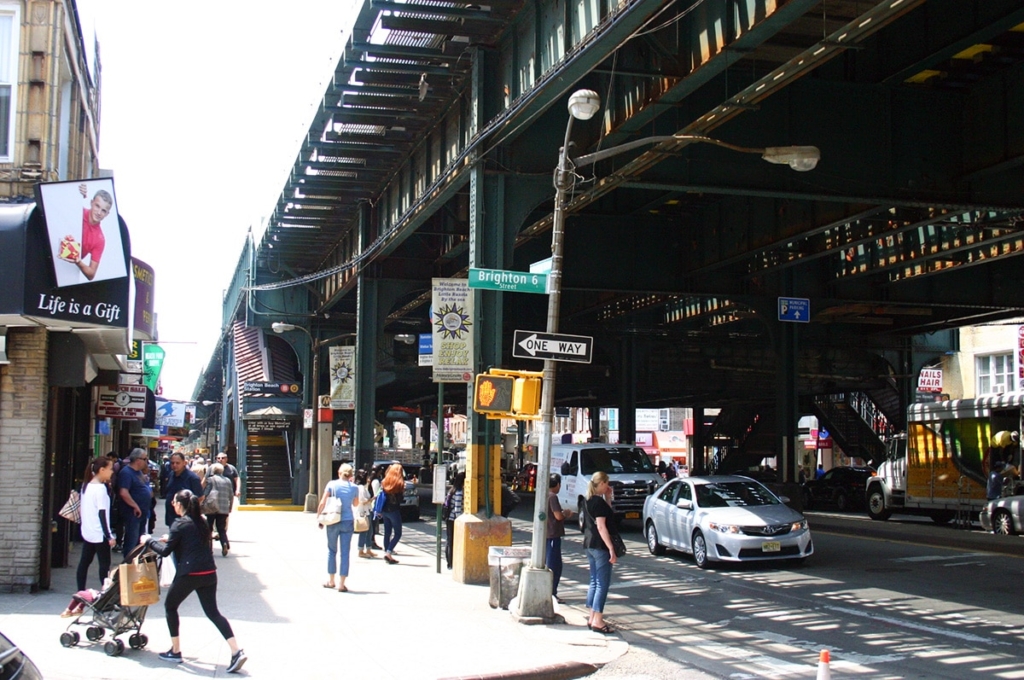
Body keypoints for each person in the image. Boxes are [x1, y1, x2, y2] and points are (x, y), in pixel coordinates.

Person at [144, 490, 246, 673]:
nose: (172, 504)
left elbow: (165, 552)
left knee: (170, 606)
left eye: (174, 501)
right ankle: (236, 650)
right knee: (213, 612)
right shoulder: (203, 522)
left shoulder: (179, 524)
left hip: (189, 573)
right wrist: (172, 539)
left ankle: (175, 650)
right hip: (208, 572)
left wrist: (148, 541)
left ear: (180, 504)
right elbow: (194, 542)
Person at [583, 471, 618, 635]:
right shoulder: (599, 503)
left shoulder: (589, 501)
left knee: (594, 581)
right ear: (602, 483)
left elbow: (605, 516)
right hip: (600, 546)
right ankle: (598, 619)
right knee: (602, 583)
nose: (608, 486)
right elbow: (602, 526)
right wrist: (611, 547)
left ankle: (591, 616)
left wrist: (608, 499)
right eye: (607, 483)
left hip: (589, 544)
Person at [75, 456, 116, 591]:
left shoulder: (86, 486)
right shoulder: (100, 489)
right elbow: (102, 514)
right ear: (102, 470)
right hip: (100, 533)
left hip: (88, 531)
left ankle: (80, 591)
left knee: (84, 562)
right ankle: (105, 594)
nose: (112, 472)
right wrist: (109, 535)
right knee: (104, 566)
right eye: (110, 469)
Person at [317, 463, 360, 590]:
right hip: (347, 521)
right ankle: (342, 583)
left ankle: (331, 581)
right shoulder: (354, 487)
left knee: (332, 550)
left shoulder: (331, 484)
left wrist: (320, 517)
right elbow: (356, 504)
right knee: (345, 552)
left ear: (339, 472)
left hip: (333, 520)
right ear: (351, 475)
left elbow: (323, 502)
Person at [70, 183, 112, 280]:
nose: (99, 213)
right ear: (91, 203)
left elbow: (91, 274)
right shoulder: (76, 211)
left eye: (103, 211)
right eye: (97, 206)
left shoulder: (99, 239)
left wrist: (78, 261)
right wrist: (76, 191)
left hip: (68, 271)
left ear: (107, 214)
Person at [116, 448, 151, 561]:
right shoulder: (126, 473)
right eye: (145, 459)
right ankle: (128, 565)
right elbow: (123, 492)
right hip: (132, 514)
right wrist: (135, 506)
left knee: (139, 541)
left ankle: (135, 564)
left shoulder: (139, 472)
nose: (147, 461)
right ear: (138, 460)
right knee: (131, 540)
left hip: (142, 513)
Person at [546, 473, 573, 603]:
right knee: (554, 566)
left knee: (552, 564)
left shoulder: (544, 495)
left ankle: (551, 592)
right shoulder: (552, 497)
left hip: (547, 535)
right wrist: (566, 513)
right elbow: (558, 516)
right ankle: (552, 593)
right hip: (552, 535)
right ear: (557, 484)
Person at [163, 452, 203, 528]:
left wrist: (187, 511)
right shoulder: (171, 475)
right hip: (171, 515)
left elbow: (200, 497)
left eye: (177, 463)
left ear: (184, 463)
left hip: (185, 519)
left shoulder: (192, 478)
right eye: (172, 463)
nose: (174, 465)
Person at [203, 464, 234, 557]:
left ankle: (209, 548)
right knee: (221, 528)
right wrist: (230, 507)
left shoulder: (210, 480)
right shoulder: (228, 480)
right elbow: (231, 495)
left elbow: (206, 493)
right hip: (224, 508)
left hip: (211, 507)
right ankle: (224, 543)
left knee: (209, 528)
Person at [379, 463, 405, 564]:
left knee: (387, 532)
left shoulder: (385, 481)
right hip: (394, 510)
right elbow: (400, 500)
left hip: (385, 510)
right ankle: (388, 552)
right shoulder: (399, 483)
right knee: (398, 533)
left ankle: (386, 552)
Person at [444, 472, 465, 570]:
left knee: (449, 540)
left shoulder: (451, 490)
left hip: (449, 518)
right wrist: (460, 522)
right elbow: (457, 509)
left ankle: (449, 562)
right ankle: (452, 562)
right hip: (454, 519)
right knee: (453, 541)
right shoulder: (459, 492)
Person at [354, 469, 376, 559]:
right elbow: (362, 500)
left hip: (367, 510)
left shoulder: (364, 487)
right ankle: (360, 550)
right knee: (364, 531)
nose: (368, 479)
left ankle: (368, 549)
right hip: (363, 512)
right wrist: (371, 499)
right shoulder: (360, 488)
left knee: (369, 531)